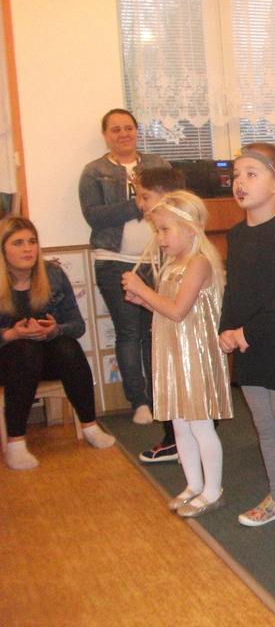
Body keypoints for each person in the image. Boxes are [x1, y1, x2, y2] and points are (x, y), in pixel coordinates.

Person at [219, 142, 275, 533]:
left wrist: (247, 331)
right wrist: (226, 330)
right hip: (246, 346)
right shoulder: (237, 234)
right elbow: (235, 290)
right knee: (264, 426)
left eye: (251, 174)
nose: (240, 182)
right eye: (236, 175)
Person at [121, 191, 232, 517]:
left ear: (191, 228)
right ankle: (193, 484)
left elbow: (178, 311)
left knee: (200, 425)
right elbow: (166, 310)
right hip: (173, 354)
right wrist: (144, 300)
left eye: (165, 229)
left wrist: (144, 291)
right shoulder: (173, 265)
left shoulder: (198, 263)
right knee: (180, 424)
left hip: (194, 354)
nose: (160, 238)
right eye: (158, 230)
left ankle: (213, 490)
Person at [0, 217, 116, 469]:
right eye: (18, 243)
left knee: (67, 347)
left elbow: (77, 326)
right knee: (24, 350)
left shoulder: (52, 274)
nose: (27, 249)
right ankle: (16, 443)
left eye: (32, 241)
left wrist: (55, 330)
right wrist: (12, 335)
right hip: (8, 363)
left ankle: (90, 426)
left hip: (44, 358)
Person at [78, 108, 170, 424]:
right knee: (129, 332)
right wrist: (138, 204)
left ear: (137, 131)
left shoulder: (158, 165)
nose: (123, 134)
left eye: (128, 128)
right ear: (105, 135)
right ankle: (139, 402)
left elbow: (175, 202)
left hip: (157, 260)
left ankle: (160, 397)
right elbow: (94, 216)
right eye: (115, 129)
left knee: (155, 331)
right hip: (113, 262)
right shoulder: (94, 171)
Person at [130, 167, 188, 465]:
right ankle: (177, 439)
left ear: (167, 197)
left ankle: (180, 440)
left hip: (185, 333)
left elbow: (179, 306)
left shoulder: (185, 246)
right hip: (171, 325)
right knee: (167, 380)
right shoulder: (168, 242)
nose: (140, 203)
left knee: (182, 386)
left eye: (145, 196)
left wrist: (144, 293)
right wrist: (149, 305)